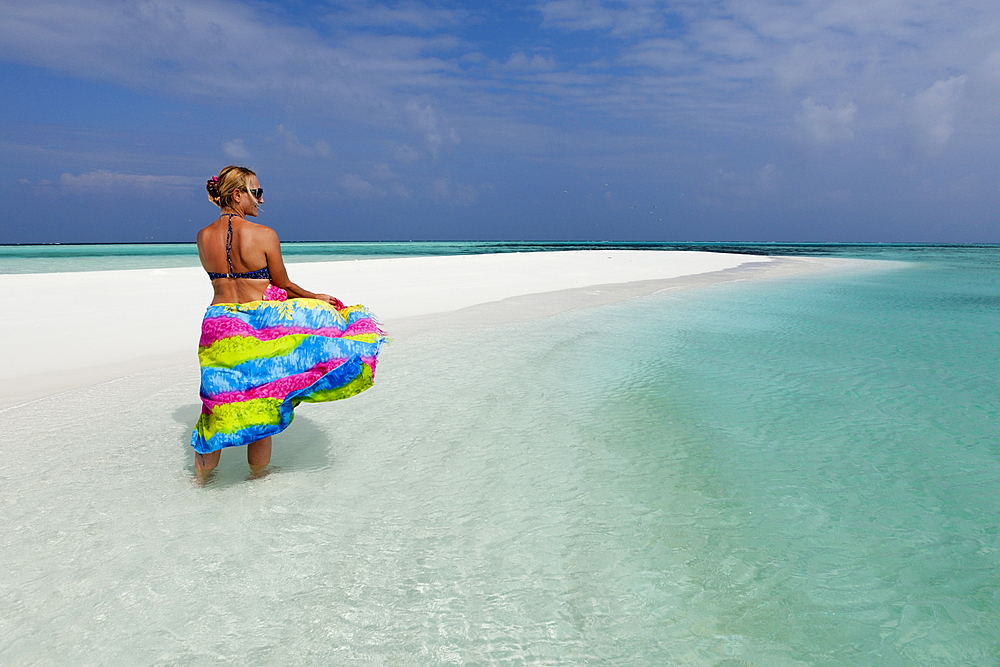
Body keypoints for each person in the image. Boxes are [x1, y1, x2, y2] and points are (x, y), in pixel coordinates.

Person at [192, 165, 384, 482]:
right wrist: (318, 298)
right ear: (238, 194)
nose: (261, 200)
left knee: (214, 411)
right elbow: (285, 284)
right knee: (263, 404)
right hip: (258, 327)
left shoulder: (203, 236)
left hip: (218, 326)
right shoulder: (265, 235)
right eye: (257, 192)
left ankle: (200, 483)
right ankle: (257, 480)